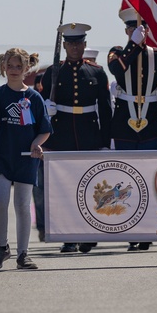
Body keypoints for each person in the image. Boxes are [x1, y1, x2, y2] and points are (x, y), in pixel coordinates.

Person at [0, 48, 52, 271]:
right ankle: (2, 247)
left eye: (19, 66)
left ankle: (23, 254)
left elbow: (44, 129)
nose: (14, 70)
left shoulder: (34, 97)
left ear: (26, 68)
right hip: (2, 156)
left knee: (22, 204)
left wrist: (36, 143)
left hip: (27, 158)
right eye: (10, 66)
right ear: (4, 68)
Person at [40, 22, 113, 253]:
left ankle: (89, 233)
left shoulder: (97, 72)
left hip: (89, 135)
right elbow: (43, 103)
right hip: (61, 136)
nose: (74, 48)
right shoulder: (53, 71)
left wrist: (104, 142)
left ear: (85, 45)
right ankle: (69, 236)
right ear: (64, 46)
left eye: (78, 43)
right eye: (70, 44)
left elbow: (105, 109)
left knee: (92, 187)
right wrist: (47, 108)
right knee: (66, 188)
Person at [108, 8, 157, 251]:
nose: (135, 31)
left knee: (148, 177)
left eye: (139, 29)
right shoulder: (117, 52)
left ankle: (146, 230)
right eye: (131, 29)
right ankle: (131, 229)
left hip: (151, 124)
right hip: (124, 125)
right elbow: (116, 70)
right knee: (126, 178)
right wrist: (132, 45)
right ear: (126, 30)